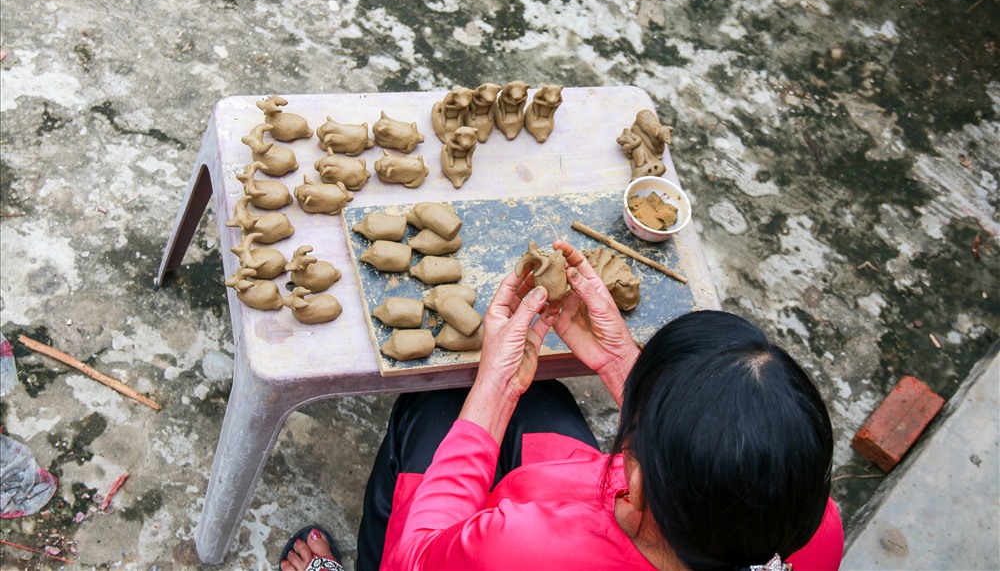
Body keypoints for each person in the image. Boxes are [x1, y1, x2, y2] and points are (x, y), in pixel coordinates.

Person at [279, 239, 844, 571]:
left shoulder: (532, 550)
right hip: (570, 499)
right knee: (545, 394)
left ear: (639, 482)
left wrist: (494, 393)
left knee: (433, 408)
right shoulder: (803, 524)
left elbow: (421, 559)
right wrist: (619, 359)